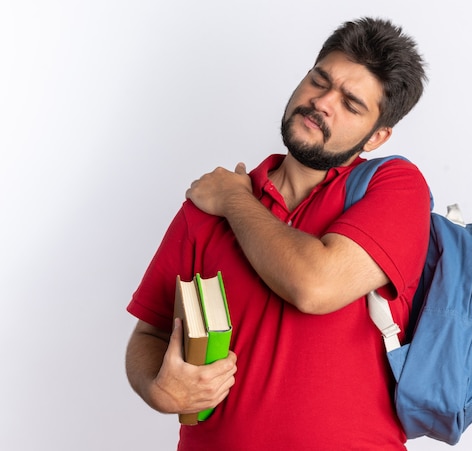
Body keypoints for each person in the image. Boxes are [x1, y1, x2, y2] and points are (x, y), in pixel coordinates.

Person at [126, 17, 431, 450]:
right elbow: (150, 334)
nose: (322, 103)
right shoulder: (207, 206)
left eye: (351, 104)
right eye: (319, 81)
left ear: (377, 136)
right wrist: (158, 388)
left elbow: (314, 286)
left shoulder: (395, 187)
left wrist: (235, 203)